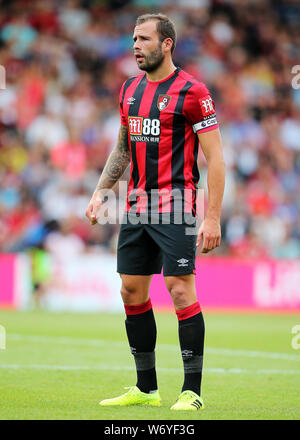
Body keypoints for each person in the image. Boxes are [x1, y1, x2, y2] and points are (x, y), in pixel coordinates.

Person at [86, 13, 225, 411]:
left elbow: (215, 159)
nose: (135, 45)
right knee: (131, 291)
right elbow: (123, 148)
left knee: (180, 291)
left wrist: (211, 217)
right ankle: (146, 388)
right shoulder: (129, 89)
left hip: (175, 206)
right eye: (133, 38)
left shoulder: (193, 92)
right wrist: (101, 192)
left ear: (167, 44)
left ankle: (191, 392)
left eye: (144, 38)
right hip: (135, 205)